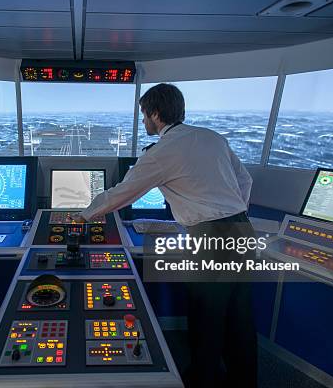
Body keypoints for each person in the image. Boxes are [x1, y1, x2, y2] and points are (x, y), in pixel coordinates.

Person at [75, 83, 257, 388]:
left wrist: (83, 216)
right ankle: (244, 381)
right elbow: (244, 180)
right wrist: (233, 213)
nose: (144, 121)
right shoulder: (212, 138)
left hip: (210, 240)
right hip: (242, 231)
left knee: (206, 318)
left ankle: (203, 380)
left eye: (145, 115)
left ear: (156, 114)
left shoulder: (161, 153)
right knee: (240, 317)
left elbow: (123, 193)